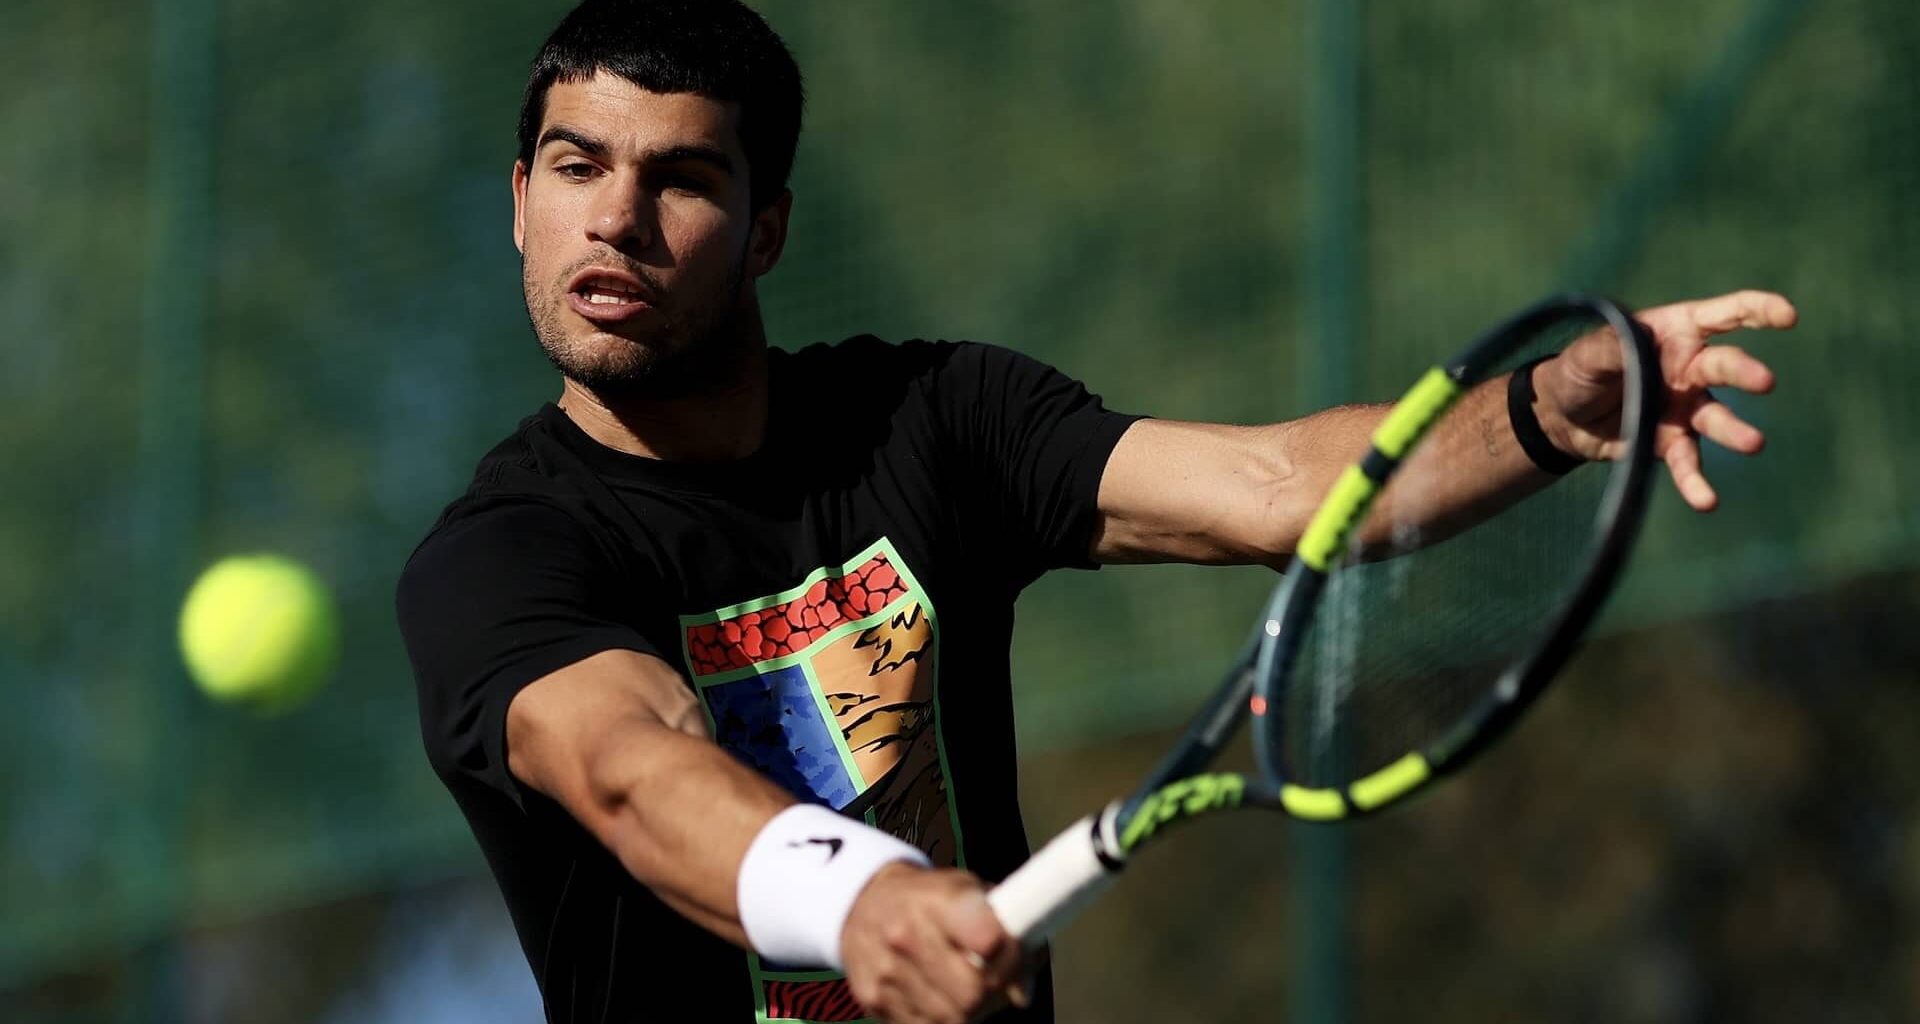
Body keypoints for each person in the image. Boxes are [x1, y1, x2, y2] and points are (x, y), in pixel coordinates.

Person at [394, 1, 1796, 1021]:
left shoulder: (935, 421)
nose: (618, 219)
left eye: (682, 179)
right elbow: (632, 767)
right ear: (522, 202)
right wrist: (862, 903)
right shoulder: (498, 560)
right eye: (577, 168)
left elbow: (1292, 491)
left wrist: (1553, 405)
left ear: (765, 231)